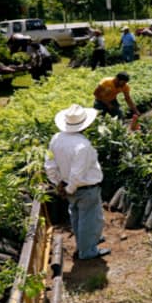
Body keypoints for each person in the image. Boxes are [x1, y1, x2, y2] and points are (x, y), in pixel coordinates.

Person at [44, 104, 111, 260]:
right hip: (83, 188)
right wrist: (69, 189)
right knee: (90, 218)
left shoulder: (56, 138)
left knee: (76, 216)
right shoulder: (83, 146)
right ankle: (88, 251)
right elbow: (77, 174)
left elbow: (49, 164)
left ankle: (86, 241)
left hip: (68, 185)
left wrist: (58, 183)